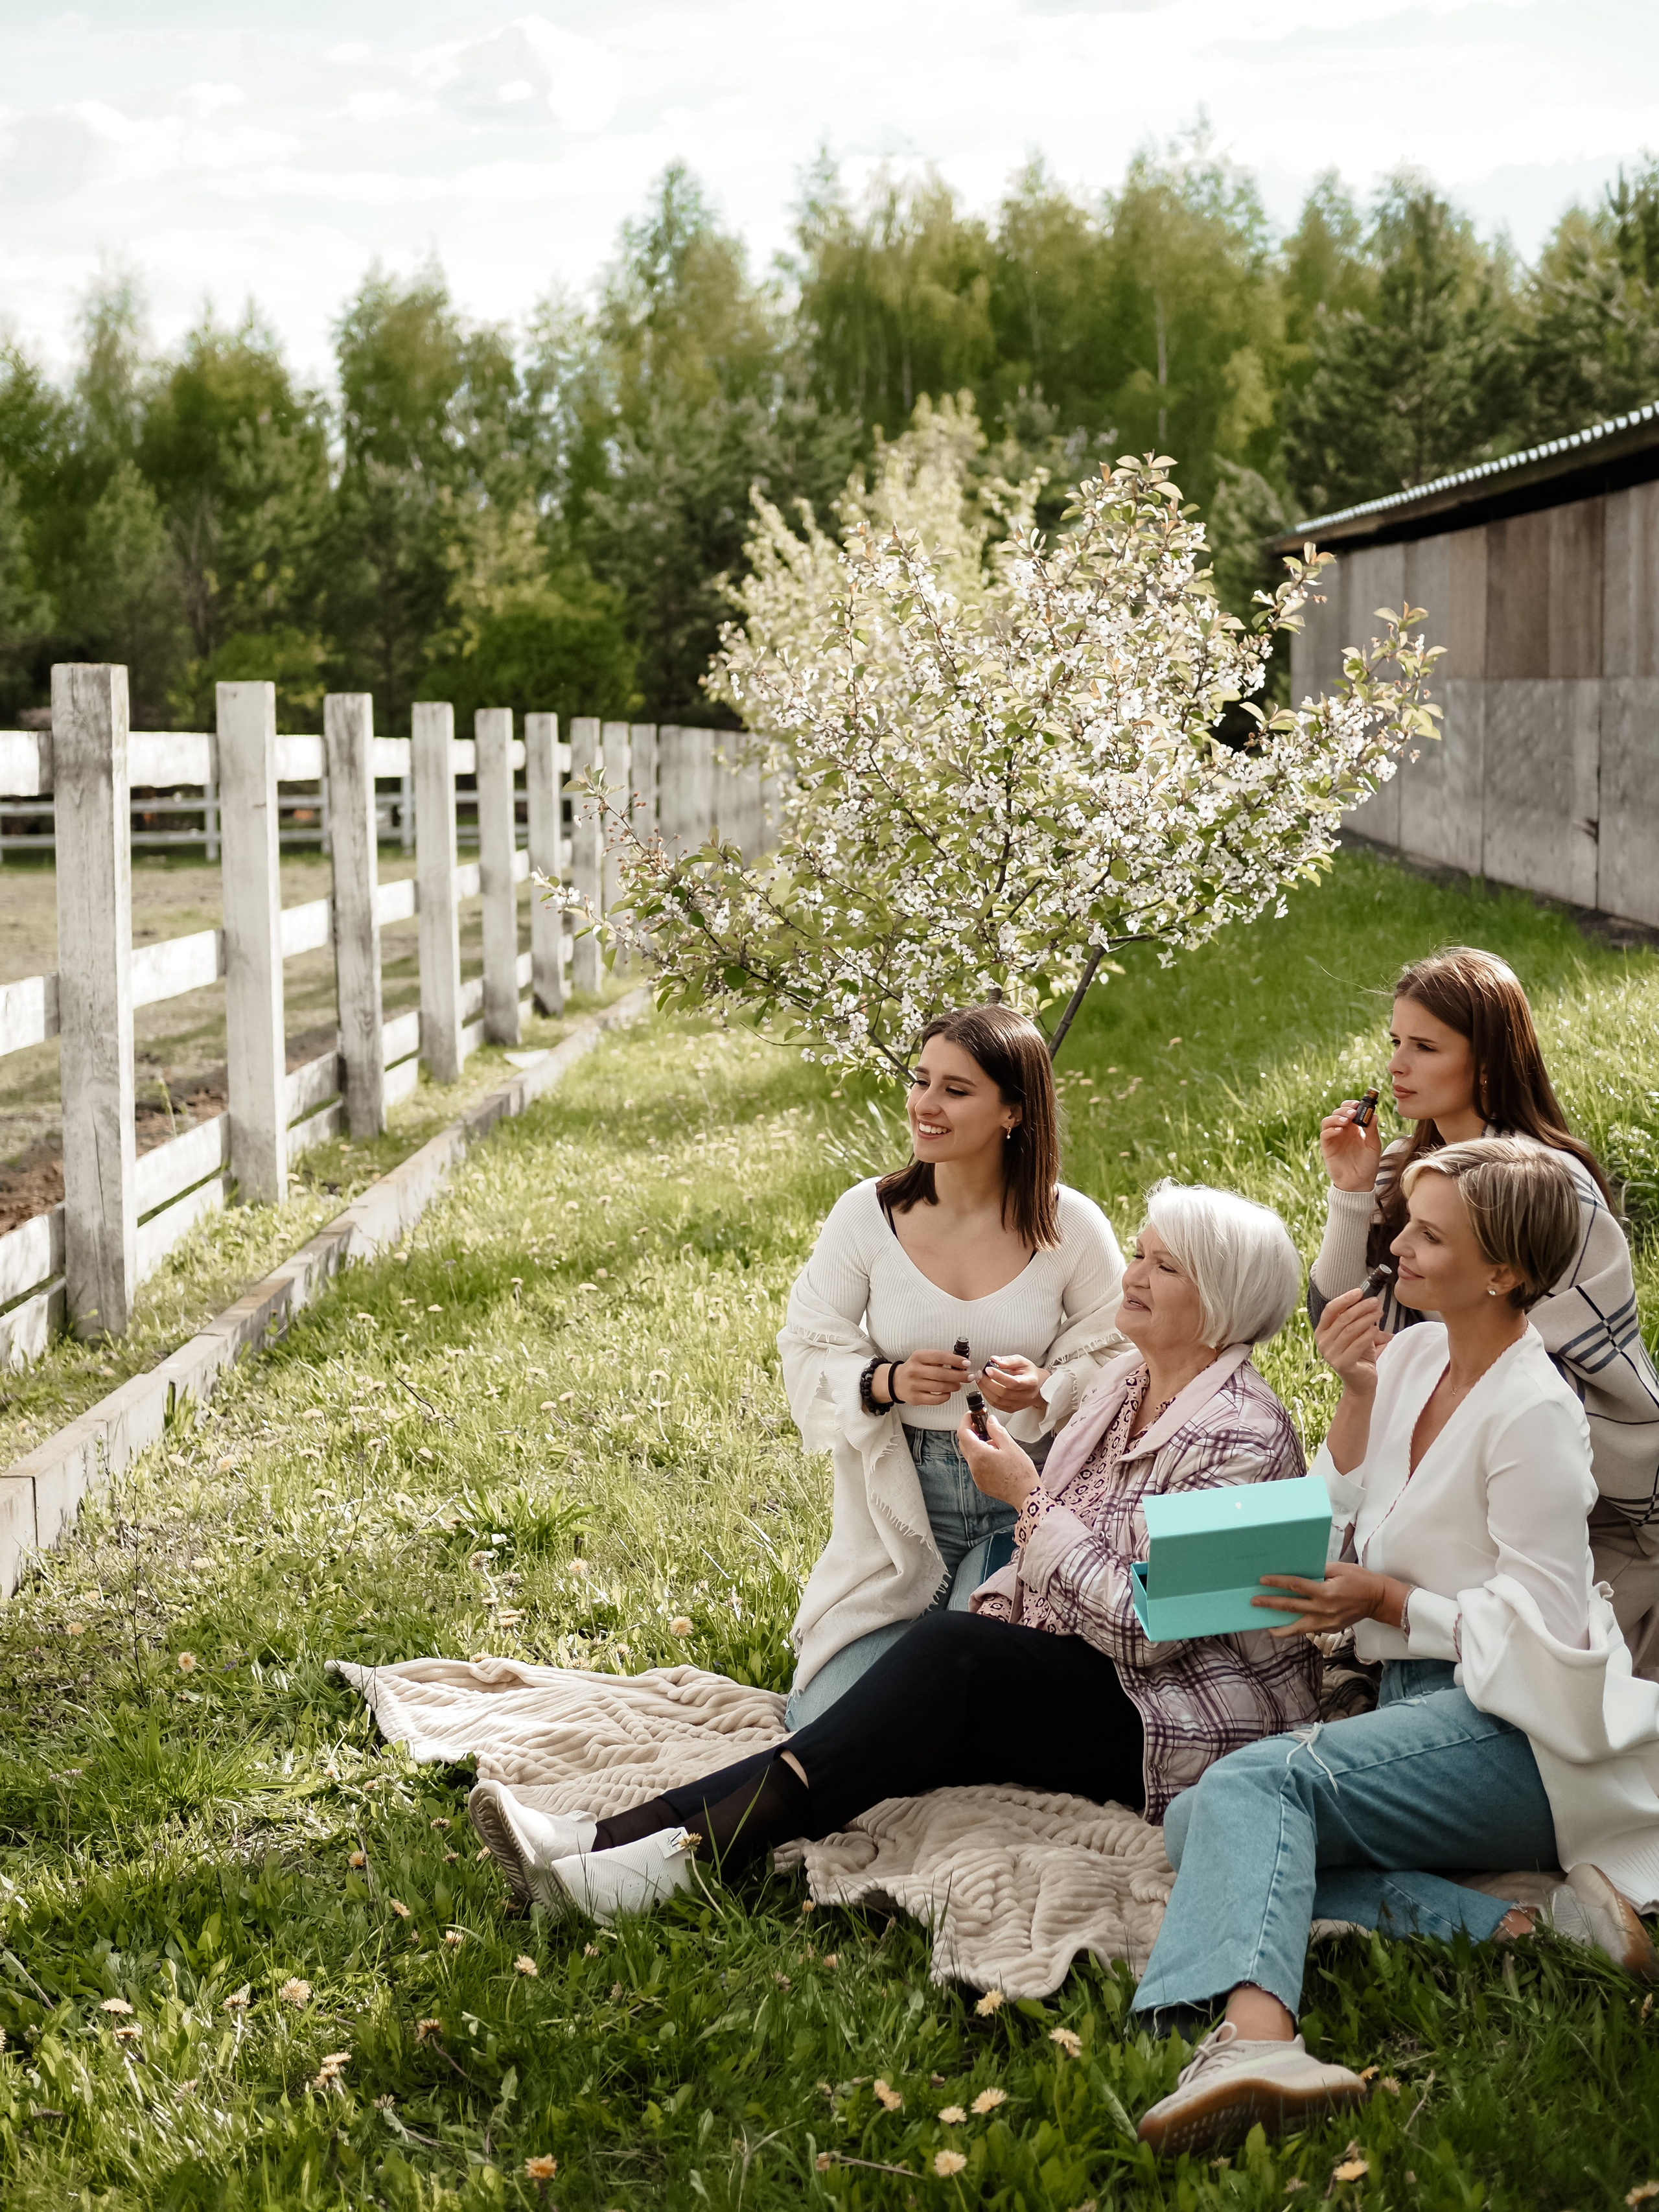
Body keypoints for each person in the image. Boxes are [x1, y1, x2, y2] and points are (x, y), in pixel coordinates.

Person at [468, 1183, 1324, 1925]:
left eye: (1162, 1268)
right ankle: (618, 1845)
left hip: (1184, 1722)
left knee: (951, 1659)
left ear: (1220, 1300)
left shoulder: (1246, 1433)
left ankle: (669, 1857)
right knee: (901, 1707)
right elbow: (1066, 1577)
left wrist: (1027, 1498)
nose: (1131, 1276)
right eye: (1138, 1254)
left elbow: (1151, 1629)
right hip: (1104, 1678)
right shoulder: (1126, 1389)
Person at [1133, 1137, 1659, 2160]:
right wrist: (1358, 1394)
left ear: (1503, 1270)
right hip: (1419, 1695)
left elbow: (1545, 1629)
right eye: (1405, 1224)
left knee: (1252, 1789)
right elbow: (1356, 1504)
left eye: (1428, 1234)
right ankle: (1524, 1927)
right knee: (1201, 1821)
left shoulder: (1537, 1414)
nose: (1398, 1249)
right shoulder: (1416, 1355)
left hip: (1524, 1728)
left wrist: (1388, 1599)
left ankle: (1255, 2039)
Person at [772, 1004, 1126, 1729]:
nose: (924, 1105)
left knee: (973, 1684)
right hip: (901, 1496)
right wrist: (885, 1380)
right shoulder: (865, 1213)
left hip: (1022, 1490)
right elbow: (807, 1341)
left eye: (955, 1090)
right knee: (825, 1722)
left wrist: (1046, 1389)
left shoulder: (1072, 1224)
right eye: (922, 1079)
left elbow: (1125, 1352)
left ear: (1013, 1111)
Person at [1312, 946, 1659, 1672]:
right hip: (1420, 1453)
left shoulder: (1544, 1186)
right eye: (1394, 1043)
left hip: (1554, 1484)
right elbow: (1346, 1327)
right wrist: (1349, 1192)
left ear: (1489, 1064)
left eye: (1425, 1046)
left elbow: (1574, 1370)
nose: (1397, 1066)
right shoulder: (1402, 1166)